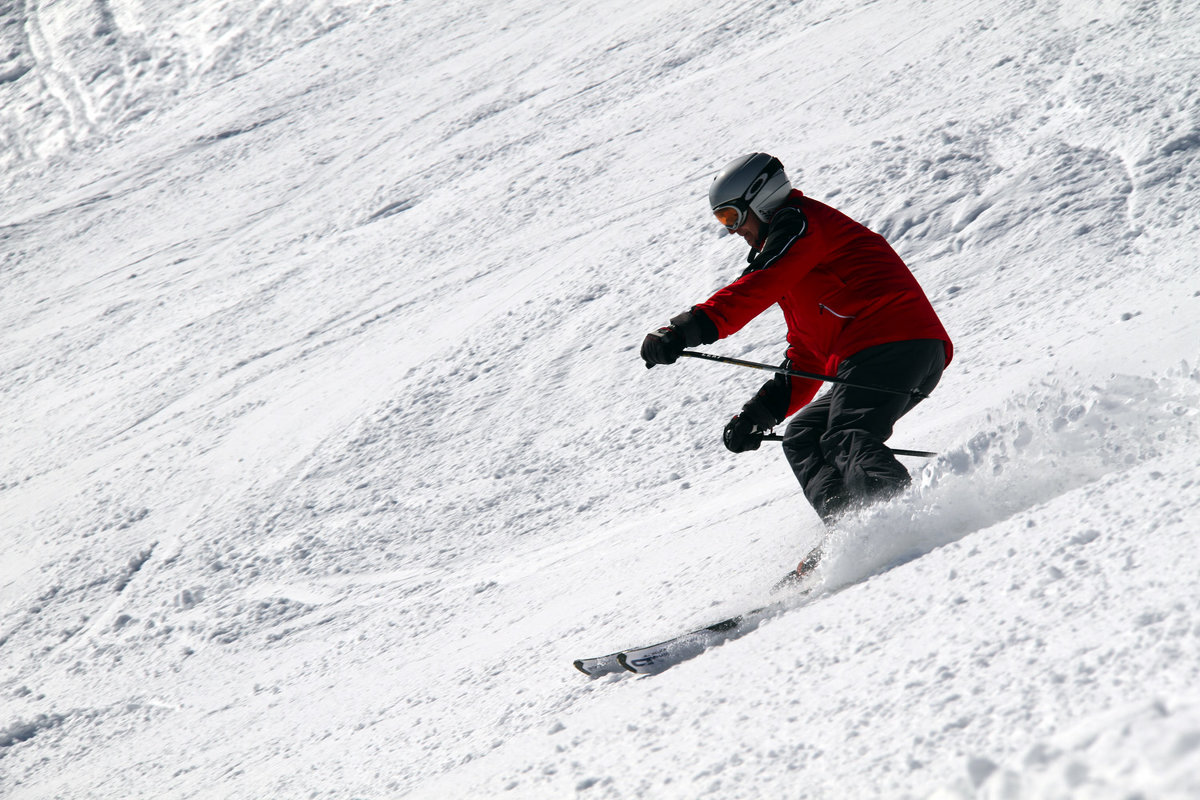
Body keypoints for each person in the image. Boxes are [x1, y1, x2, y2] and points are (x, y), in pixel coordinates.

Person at [640, 153, 952, 576]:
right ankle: (852, 530)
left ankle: (897, 520)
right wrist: (757, 416)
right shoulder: (796, 259)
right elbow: (806, 352)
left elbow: (761, 283)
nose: (734, 231)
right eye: (723, 223)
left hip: (897, 341)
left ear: (762, 198)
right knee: (804, 435)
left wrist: (687, 328)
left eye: (733, 217)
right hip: (875, 355)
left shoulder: (800, 225)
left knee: (848, 434)